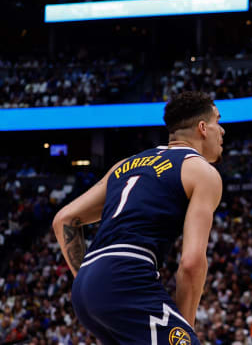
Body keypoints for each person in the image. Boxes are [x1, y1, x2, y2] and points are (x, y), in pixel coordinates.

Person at [52, 91, 224, 344]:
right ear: (202, 128)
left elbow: (64, 219)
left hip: (86, 288)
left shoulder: (125, 165)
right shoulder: (201, 171)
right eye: (218, 121)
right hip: (125, 276)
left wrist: (90, 278)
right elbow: (191, 262)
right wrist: (184, 330)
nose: (222, 131)